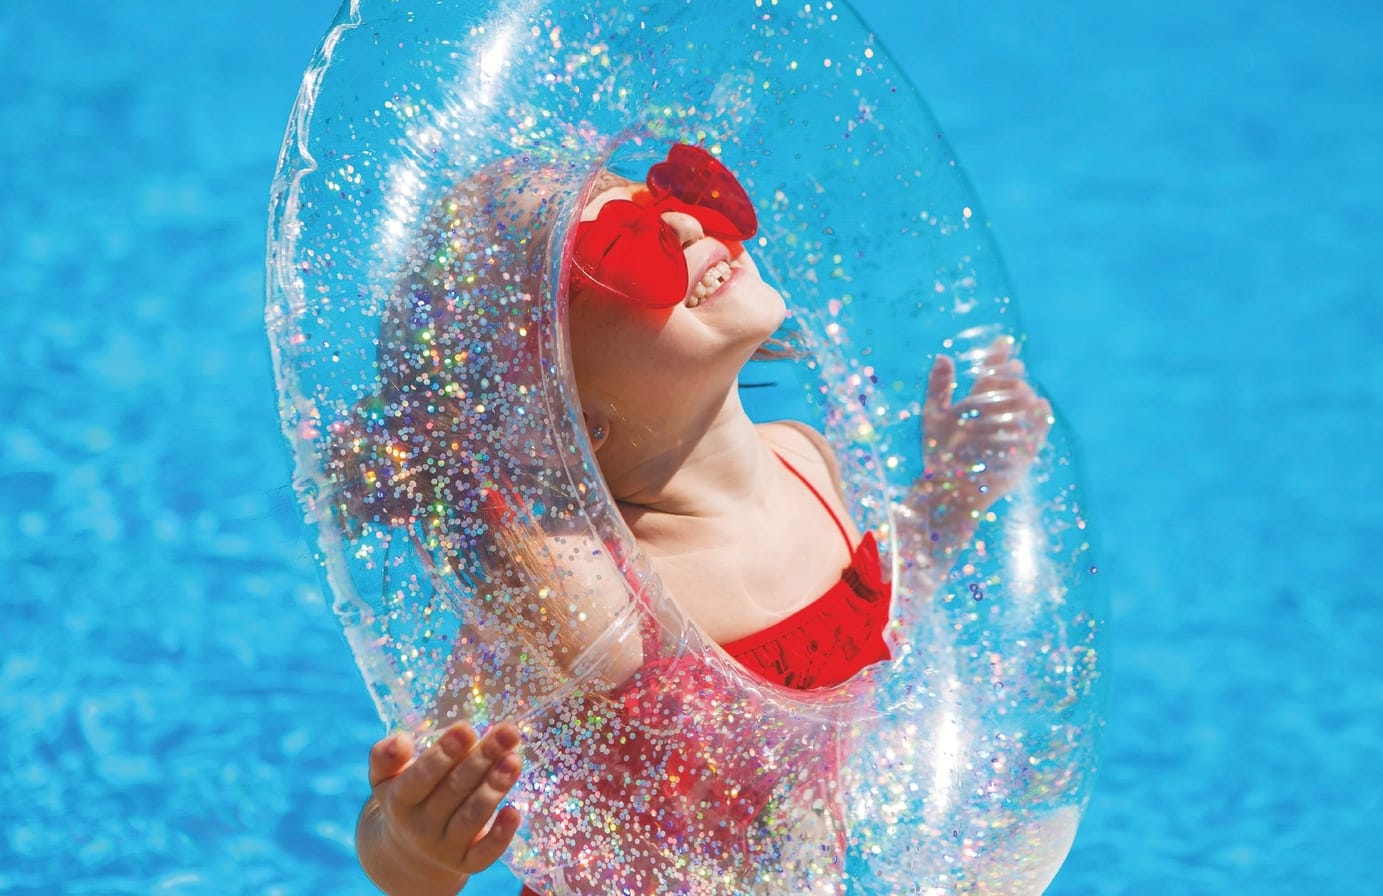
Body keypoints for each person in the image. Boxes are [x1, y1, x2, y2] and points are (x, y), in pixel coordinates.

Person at [340, 145, 1052, 895]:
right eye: (621, 244)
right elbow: (418, 789)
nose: (682, 225)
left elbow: (866, 641)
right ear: (556, 408)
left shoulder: (805, 461)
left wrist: (948, 500)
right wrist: (415, 851)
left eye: (661, 197)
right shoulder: (585, 587)